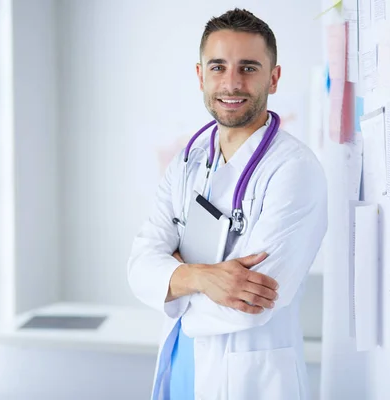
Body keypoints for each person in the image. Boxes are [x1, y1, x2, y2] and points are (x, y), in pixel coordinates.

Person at [127, 8, 327, 400]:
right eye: (218, 67)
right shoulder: (188, 160)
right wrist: (203, 278)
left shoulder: (295, 171)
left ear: (274, 76)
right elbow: (139, 267)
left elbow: (252, 302)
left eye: (248, 68)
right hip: (181, 365)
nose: (231, 83)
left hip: (249, 378)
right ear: (201, 75)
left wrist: (172, 278)